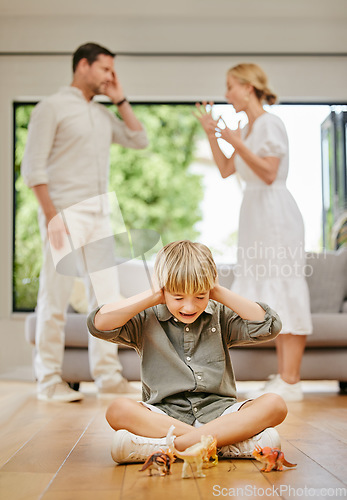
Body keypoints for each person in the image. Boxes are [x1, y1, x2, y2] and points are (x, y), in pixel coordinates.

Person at [21, 42, 149, 402]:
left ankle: (107, 377)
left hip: (100, 216)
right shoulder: (52, 107)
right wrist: (51, 217)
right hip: (64, 214)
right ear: (82, 66)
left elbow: (139, 139)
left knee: (107, 298)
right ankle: (48, 380)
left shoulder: (103, 115)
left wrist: (120, 99)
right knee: (55, 297)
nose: (110, 76)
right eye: (105, 69)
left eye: (112, 71)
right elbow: (33, 167)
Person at [87, 240, 287, 463]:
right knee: (118, 410)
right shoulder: (147, 318)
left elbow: (269, 325)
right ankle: (223, 444)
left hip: (220, 415)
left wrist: (217, 291)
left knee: (275, 404)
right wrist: (153, 295)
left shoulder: (220, 315)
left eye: (200, 296)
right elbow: (99, 324)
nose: (189, 307)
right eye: (178, 297)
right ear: (163, 290)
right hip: (163, 417)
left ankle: (171, 446)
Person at [195, 63, 312, 402]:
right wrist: (212, 134)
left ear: (248, 87)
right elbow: (225, 169)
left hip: (276, 215)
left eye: (230, 86)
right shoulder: (246, 128)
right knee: (267, 286)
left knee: (285, 284)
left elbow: (269, 172)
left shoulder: (270, 123)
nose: (226, 93)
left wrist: (236, 140)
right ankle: (285, 376)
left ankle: (292, 380)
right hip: (255, 216)